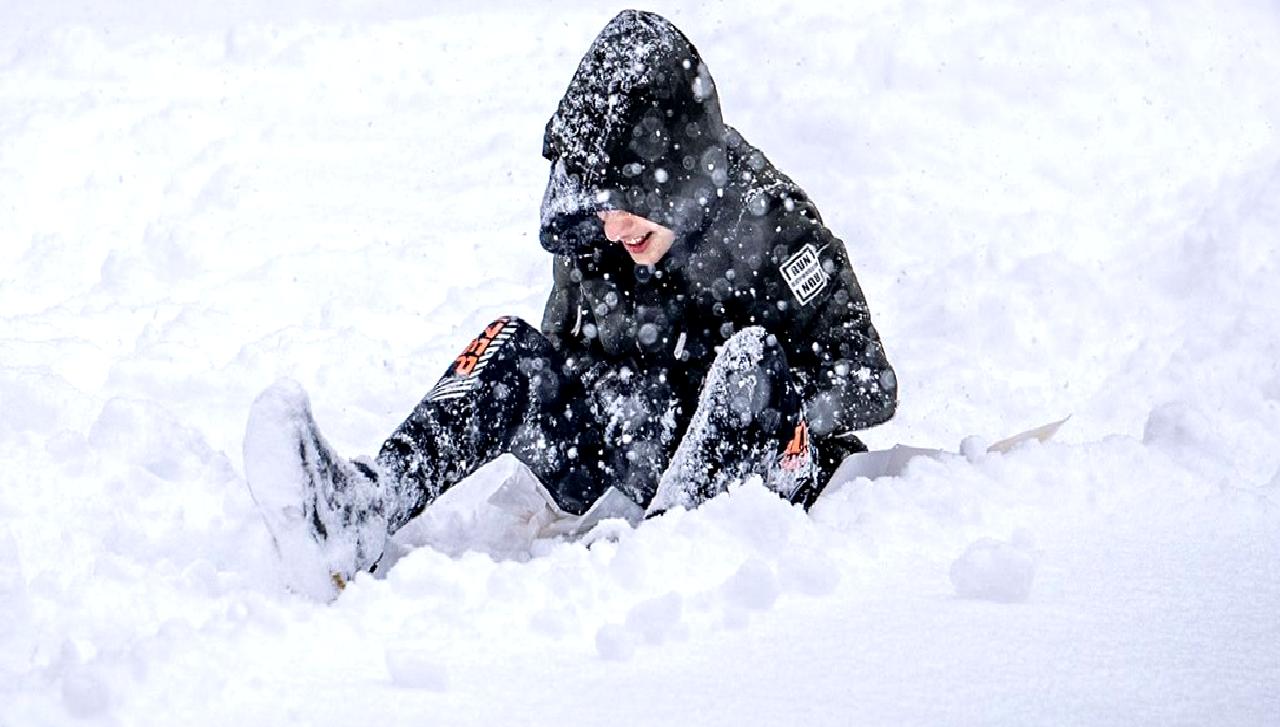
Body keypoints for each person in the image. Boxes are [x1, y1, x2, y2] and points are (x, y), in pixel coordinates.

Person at [243, 10, 896, 600]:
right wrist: (617, 405)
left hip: (757, 477)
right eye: (601, 204)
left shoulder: (771, 224)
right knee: (512, 348)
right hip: (638, 447)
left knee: (751, 362)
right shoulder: (598, 230)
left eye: (626, 203)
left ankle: (671, 555)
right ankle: (363, 511)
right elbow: (562, 353)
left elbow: (871, 383)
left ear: (675, 177)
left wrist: (759, 406)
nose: (613, 227)